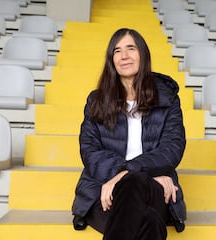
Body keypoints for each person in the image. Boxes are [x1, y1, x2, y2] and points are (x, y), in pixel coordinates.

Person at [71, 27, 187, 240]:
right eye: (117, 51)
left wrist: (127, 174)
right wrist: (123, 176)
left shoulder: (167, 98)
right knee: (150, 221)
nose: (124, 56)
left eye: (130, 48)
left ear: (143, 54)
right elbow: (89, 151)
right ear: (111, 60)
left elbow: (172, 148)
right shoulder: (96, 101)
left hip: (153, 189)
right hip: (103, 190)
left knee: (135, 183)